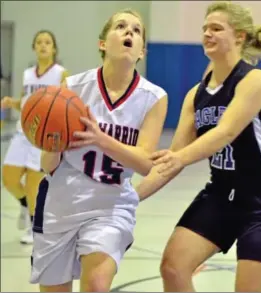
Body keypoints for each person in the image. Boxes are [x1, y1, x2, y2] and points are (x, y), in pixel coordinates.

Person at [136, 1, 261, 292]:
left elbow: (225, 132)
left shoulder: (255, 81)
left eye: (216, 28)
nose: (207, 34)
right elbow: (170, 161)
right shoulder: (194, 96)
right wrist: (127, 199)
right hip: (220, 195)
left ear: (239, 36)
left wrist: (179, 158)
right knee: (173, 268)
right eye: (204, 29)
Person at [30, 9, 168, 292]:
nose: (129, 32)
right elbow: (48, 164)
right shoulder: (72, 88)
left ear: (142, 51)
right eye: (120, 26)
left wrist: (99, 138)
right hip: (61, 199)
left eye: (137, 30)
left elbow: (144, 163)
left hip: (111, 204)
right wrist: (51, 144)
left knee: (96, 284)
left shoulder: (153, 98)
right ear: (102, 43)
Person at [1, 30, 69, 244]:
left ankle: (33, 226)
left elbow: (66, 103)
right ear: (34, 47)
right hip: (23, 132)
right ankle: (23, 205)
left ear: (54, 48)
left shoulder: (61, 74)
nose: (43, 45)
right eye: (39, 42)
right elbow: (26, 102)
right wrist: (12, 103)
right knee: (8, 178)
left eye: (47, 42)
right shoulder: (28, 73)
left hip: (43, 137)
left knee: (33, 184)